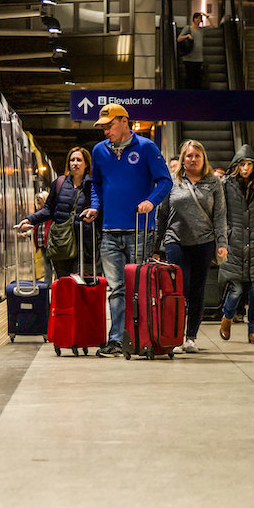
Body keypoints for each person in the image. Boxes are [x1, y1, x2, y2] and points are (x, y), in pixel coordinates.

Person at [81, 103, 172, 357]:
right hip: (109, 230)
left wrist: (150, 201)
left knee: (139, 287)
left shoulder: (146, 147)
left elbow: (165, 181)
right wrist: (96, 208)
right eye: (103, 127)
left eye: (109, 125)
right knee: (116, 288)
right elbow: (97, 185)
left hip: (140, 230)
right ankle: (118, 339)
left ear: (124, 121)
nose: (105, 131)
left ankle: (142, 337)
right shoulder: (99, 151)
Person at [155, 140, 228, 353]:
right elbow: (162, 214)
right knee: (178, 289)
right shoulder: (172, 181)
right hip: (175, 240)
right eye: (188, 156)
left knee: (197, 290)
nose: (193, 159)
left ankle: (191, 337)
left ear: (203, 158)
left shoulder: (214, 183)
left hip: (203, 242)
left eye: (197, 155)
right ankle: (175, 336)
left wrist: (221, 243)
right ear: (182, 159)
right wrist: (155, 246)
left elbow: (220, 214)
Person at [219, 146, 254, 344]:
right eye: (242, 164)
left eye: (249, 164)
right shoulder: (226, 184)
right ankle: (227, 317)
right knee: (236, 289)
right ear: (236, 165)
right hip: (233, 243)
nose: (245, 168)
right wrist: (226, 233)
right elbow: (220, 211)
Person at [17, 148, 94, 281]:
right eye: (72, 160)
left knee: (81, 283)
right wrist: (30, 220)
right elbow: (48, 210)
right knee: (63, 282)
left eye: (79, 160)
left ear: (86, 164)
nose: (75, 163)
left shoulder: (92, 185)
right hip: (61, 242)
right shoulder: (59, 183)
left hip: (84, 242)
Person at [177, 12, 207, 88]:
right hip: (188, 58)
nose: (198, 20)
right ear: (193, 19)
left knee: (198, 79)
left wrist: (206, 15)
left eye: (199, 19)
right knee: (190, 78)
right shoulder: (188, 28)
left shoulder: (201, 30)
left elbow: (213, 26)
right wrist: (187, 36)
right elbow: (178, 39)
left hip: (198, 58)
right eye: (196, 18)